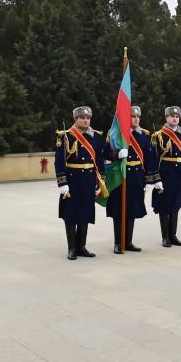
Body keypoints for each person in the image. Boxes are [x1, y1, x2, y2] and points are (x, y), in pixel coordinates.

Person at [55, 106, 111, 260]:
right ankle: (72, 248)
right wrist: (62, 182)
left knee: (85, 213)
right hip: (72, 180)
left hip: (88, 180)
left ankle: (82, 246)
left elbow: (100, 160)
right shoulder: (65, 136)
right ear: (76, 119)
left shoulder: (95, 137)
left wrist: (102, 180)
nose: (86, 120)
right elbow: (59, 162)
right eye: (82, 118)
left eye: (88, 118)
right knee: (71, 214)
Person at [106, 105, 152, 254]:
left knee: (132, 209)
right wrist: (117, 154)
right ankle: (118, 243)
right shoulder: (115, 134)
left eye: (138, 116)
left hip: (137, 176)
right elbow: (105, 153)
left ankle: (128, 242)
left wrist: (149, 180)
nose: (136, 118)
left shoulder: (144, 135)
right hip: (120, 176)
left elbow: (149, 158)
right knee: (119, 210)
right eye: (133, 116)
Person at [149, 106, 181, 246]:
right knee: (164, 205)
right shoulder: (158, 135)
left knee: (176, 204)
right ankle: (165, 237)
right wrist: (156, 178)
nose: (174, 118)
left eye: (177, 116)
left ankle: (173, 235)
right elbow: (153, 159)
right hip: (166, 173)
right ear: (166, 118)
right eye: (172, 116)